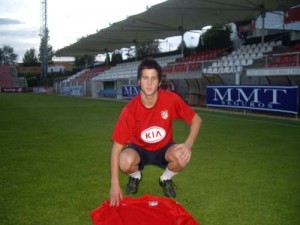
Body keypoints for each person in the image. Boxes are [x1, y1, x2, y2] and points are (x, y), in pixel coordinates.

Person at [109, 58, 202, 207]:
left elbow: (196, 120)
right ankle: (135, 176)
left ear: (159, 82)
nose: (149, 83)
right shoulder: (129, 110)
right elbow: (116, 148)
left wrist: (188, 144)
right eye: (145, 78)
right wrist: (114, 183)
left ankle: (165, 179)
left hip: (164, 147)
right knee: (124, 161)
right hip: (139, 149)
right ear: (139, 81)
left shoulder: (170, 100)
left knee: (182, 156)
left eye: (153, 78)